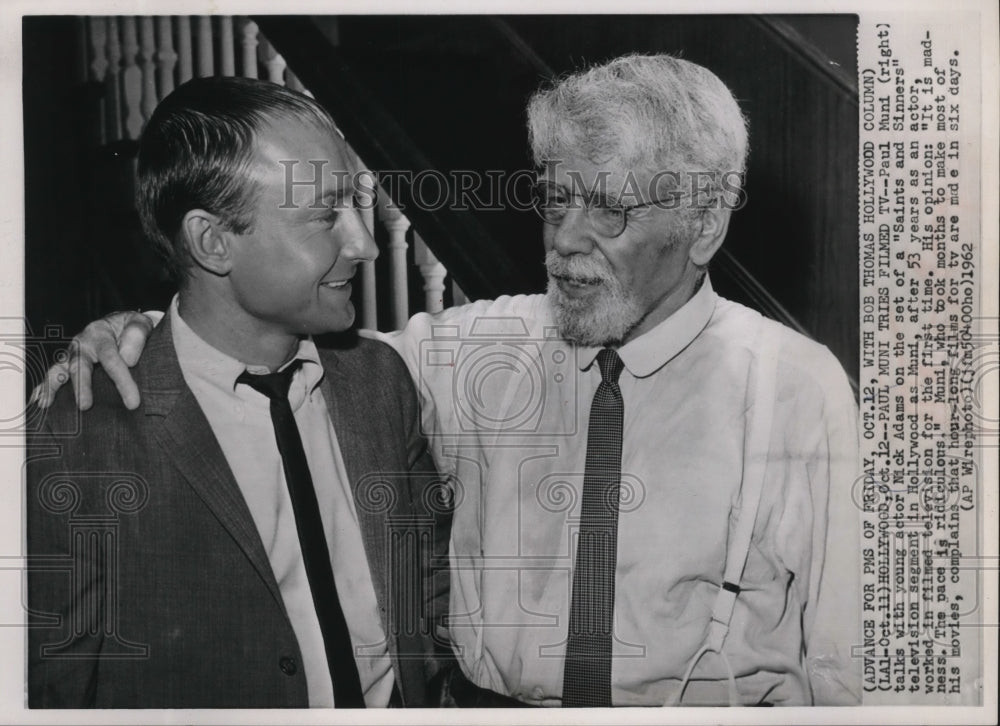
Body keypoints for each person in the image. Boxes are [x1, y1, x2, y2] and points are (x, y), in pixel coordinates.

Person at [35, 54, 861, 707]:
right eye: (554, 198)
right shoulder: (471, 352)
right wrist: (134, 326)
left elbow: (850, 668)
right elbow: (260, 345)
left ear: (703, 224)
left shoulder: (797, 390)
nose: (565, 241)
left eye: (608, 208)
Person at [26, 76, 449, 708]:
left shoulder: (380, 380)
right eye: (325, 216)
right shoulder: (84, 432)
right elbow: (51, 689)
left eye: (357, 208)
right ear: (212, 241)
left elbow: (429, 597)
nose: (362, 244)